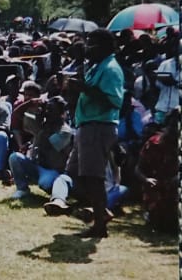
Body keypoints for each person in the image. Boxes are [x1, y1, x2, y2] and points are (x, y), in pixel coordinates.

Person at [64, 29, 124, 238]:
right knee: (75, 173)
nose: (87, 47)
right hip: (86, 125)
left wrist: (84, 88)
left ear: (105, 46)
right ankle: (103, 212)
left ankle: (100, 226)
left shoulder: (110, 69)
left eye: (92, 43)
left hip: (98, 126)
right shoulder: (96, 67)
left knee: (93, 176)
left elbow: (114, 100)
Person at [8, 96, 73, 199]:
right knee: (14, 157)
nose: (47, 112)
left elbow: (47, 144)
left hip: (53, 171)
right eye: (47, 109)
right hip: (35, 166)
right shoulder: (43, 123)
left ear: (61, 114)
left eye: (51, 110)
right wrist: (29, 103)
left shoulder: (65, 131)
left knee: (45, 183)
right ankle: (22, 189)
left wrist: (40, 124)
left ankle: (60, 190)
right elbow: (16, 115)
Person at [135, 109, 178, 233]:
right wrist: (146, 179)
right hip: (158, 189)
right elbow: (138, 168)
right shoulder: (154, 143)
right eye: (173, 125)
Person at [153, 33, 180, 124]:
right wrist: (164, 81)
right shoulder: (166, 64)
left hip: (177, 109)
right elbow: (157, 84)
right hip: (162, 107)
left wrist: (176, 83)